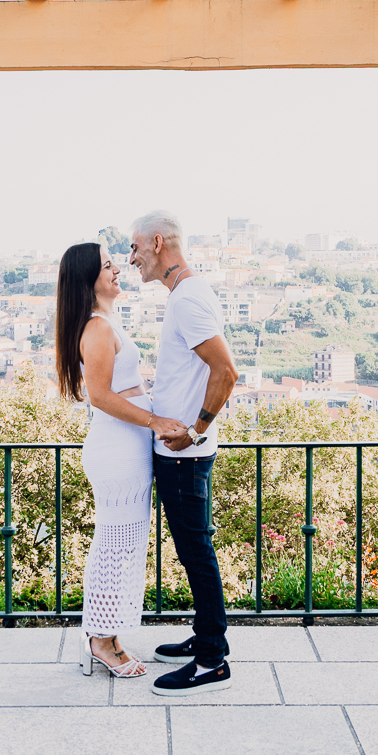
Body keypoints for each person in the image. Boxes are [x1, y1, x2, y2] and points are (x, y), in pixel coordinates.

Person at [55, 241, 186, 678]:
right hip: (116, 449)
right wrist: (155, 421)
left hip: (127, 449)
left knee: (124, 545)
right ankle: (100, 640)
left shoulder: (108, 321)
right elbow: (100, 396)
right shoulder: (96, 328)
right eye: (107, 265)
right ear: (87, 280)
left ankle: (108, 634)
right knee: (115, 546)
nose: (117, 269)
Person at [129, 210, 239, 693]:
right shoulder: (185, 295)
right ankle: (205, 638)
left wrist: (195, 431)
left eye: (134, 248)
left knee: (196, 552)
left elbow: (226, 372)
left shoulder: (188, 298)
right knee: (195, 550)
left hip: (185, 453)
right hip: (181, 450)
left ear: (157, 242)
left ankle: (212, 661)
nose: (131, 258)